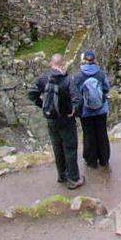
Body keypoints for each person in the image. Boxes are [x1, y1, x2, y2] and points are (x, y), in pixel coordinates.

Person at [32, 53, 82, 188]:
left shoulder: (43, 79)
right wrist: (74, 111)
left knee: (57, 147)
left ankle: (62, 175)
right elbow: (77, 99)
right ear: (62, 65)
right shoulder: (67, 80)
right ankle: (73, 179)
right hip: (66, 118)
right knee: (70, 147)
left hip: (51, 119)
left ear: (51, 64)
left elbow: (31, 93)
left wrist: (41, 104)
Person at [72, 48, 112, 171]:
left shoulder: (78, 76)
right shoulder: (100, 73)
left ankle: (91, 160)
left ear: (84, 60)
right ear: (94, 60)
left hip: (86, 111)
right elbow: (106, 88)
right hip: (101, 109)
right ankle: (104, 158)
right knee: (102, 133)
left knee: (89, 134)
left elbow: (75, 94)